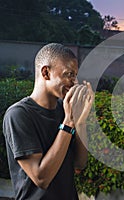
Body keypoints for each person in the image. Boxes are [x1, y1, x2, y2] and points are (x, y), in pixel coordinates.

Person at [3, 43, 94, 199]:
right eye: (69, 74)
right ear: (46, 72)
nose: (75, 82)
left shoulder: (64, 109)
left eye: (75, 75)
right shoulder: (18, 114)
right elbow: (41, 178)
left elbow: (80, 164)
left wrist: (80, 122)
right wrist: (68, 122)